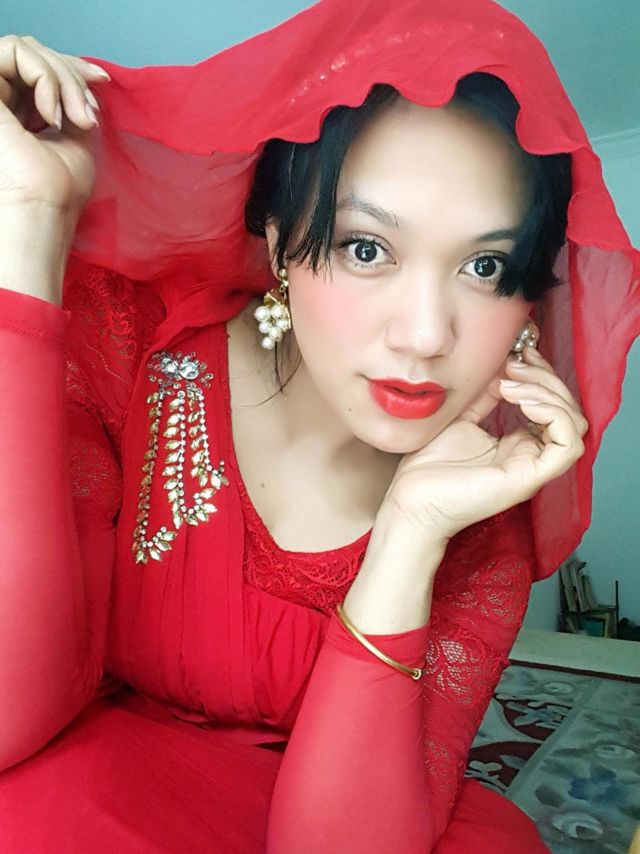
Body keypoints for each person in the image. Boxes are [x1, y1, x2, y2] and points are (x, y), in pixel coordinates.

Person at [0, 0, 637, 851]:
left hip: (345, 797)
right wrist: (30, 218)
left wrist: (412, 531)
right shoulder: (136, 347)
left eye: (486, 266)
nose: (425, 336)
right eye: (365, 248)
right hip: (95, 773)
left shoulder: (482, 509)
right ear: (277, 246)